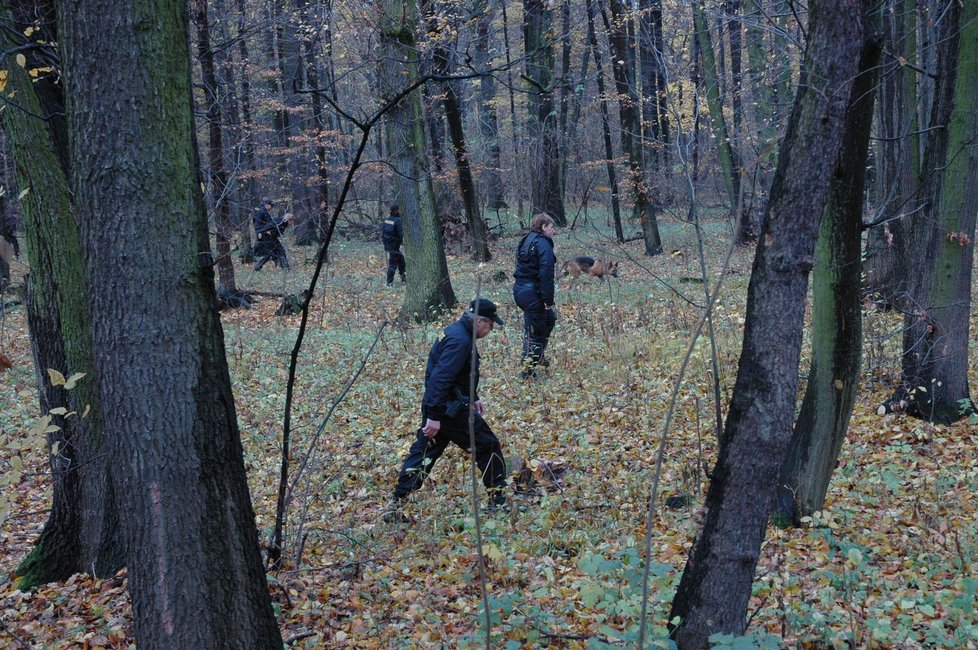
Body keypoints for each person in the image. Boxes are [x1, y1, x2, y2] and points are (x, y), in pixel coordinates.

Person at [387, 299, 508, 520]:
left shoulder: (456, 331)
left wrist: (473, 397)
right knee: (488, 445)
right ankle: (498, 500)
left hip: (441, 405)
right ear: (480, 321)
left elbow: (456, 375)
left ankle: (396, 504)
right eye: (490, 324)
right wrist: (434, 417)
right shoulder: (460, 341)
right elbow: (440, 378)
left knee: (424, 452)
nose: (491, 329)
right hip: (448, 410)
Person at [512, 213, 557, 378]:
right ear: (544, 227)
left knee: (549, 319)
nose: (552, 231)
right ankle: (527, 373)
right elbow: (546, 274)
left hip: (521, 290)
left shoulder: (526, 239)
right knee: (536, 331)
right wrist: (548, 300)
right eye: (551, 227)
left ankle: (537, 355)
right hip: (532, 293)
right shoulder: (543, 244)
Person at [253, 197, 291, 271]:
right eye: (271, 206)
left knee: (280, 251)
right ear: (267, 205)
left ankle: (285, 267)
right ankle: (258, 267)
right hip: (265, 235)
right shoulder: (262, 212)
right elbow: (262, 224)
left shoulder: (264, 211)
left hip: (270, 236)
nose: (271, 208)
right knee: (269, 253)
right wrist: (260, 233)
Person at [382, 203, 406, 285]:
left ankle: (404, 278)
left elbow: (384, 232)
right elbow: (401, 234)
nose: (400, 211)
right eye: (399, 209)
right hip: (394, 245)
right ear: (396, 211)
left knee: (401, 259)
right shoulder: (399, 220)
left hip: (388, 245)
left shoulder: (387, 219)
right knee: (393, 264)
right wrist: (404, 242)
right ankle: (389, 283)